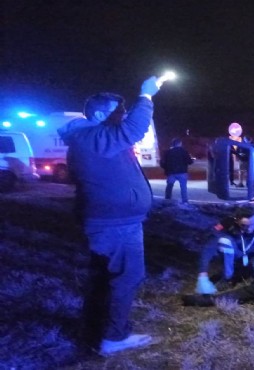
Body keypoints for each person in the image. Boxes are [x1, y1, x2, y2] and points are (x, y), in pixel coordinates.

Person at [57, 76, 161, 356]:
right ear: (101, 114)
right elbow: (134, 129)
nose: (124, 116)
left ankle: (101, 331)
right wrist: (146, 96)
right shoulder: (90, 137)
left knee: (116, 278)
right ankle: (111, 337)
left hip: (122, 222)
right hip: (113, 226)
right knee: (122, 277)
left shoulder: (97, 138)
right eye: (119, 112)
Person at [195, 206, 254, 294]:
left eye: (253, 224)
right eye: (244, 226)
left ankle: (251, 274)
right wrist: (202, 274)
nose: (250, 229)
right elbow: (209, 246)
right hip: (238, 255)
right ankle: (228, 279)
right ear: (236, 221)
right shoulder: (228, 223)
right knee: (224, 242)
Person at [161, 137, 194, 204]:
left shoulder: (168, 152)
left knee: (169, 187)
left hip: (171, 172)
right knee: (183, 188)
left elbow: (163, 163)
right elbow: (189, 161)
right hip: (182, 172)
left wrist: (166, 169)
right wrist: (191, 161)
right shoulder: (184, 151)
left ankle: (167, 200)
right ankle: (185, 202)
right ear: (180, 143)